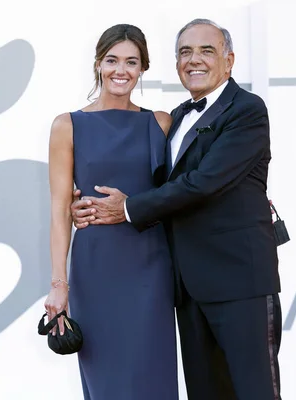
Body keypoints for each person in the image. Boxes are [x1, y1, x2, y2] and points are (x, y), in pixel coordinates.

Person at [71, 19, 282, 400]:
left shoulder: (247, 110)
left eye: (207, 51)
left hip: (240, 285)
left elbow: (202, 183)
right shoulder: (178, 116)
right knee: (206, 392)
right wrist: (84, 203)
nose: (194, 60)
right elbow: (154, 183)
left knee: (255, 393)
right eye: (185, 52)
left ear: (229, 60)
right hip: (186, 287)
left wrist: (127, 209)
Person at [44, 23, 178, 399]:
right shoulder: (67, 125)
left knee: (152, 378)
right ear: (98, 64)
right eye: (112, 60)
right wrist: (58, 285)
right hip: (95, 270)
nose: (121, 71)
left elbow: (178, 195)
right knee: (106, 383)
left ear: (143, 68)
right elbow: (58, 209)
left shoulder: (161, 123)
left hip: (150, 268)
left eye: (132, 62)